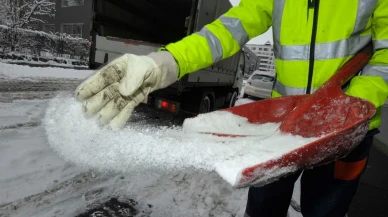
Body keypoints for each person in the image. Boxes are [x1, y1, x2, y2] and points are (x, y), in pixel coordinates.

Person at [75, 0, 388, 216]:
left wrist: (354, 103)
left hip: (348, 131)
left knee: (326, 212)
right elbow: (225, 31)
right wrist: (168, 62)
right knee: (263, 207)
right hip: (283, 128)